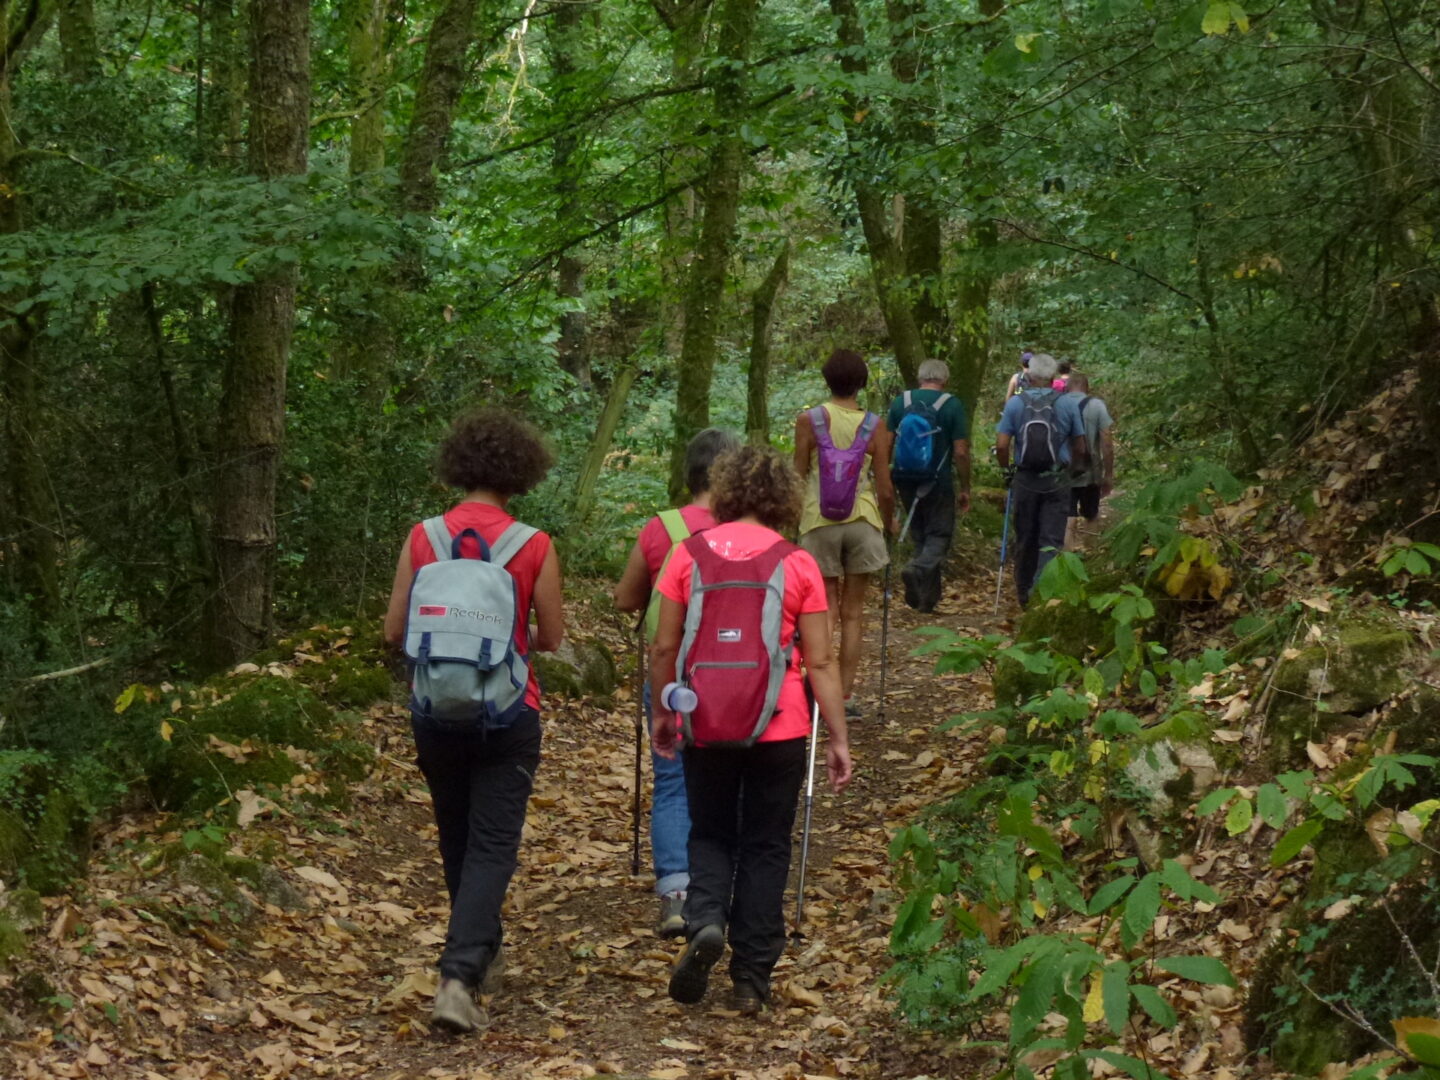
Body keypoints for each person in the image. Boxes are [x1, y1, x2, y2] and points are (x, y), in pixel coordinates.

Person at [650, 445, 852, 1015]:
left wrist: (667, 714)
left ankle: (706, 921)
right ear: (783, 499)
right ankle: (751, 978)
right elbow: (821, 663)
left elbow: (665, 645)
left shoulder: (687, 556)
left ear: (724, 491)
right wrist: (836, 737)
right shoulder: (798, 562)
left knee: (710, 832)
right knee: (766, 845)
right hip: (781, 725)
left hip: (705, 718)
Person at [383, 408, 564, 1034]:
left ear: (458, 465)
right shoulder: (533, 544)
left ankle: (477, 953)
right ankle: (459, 975)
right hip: (508, 711)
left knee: (457, 837)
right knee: (493, 845)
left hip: (435, 709)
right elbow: (551, 636)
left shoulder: (423, 537)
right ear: (521, 471)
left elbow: (394, 630)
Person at [613, 427, 741, 938]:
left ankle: (675, 891)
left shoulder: (661, 528)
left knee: (670, 779)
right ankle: (721, 890)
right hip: (736, 675)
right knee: (727, 776)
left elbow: (626, 599)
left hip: (670, 670)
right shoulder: (750, 530)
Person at [793, 349, 895, 716]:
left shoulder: (809, 420)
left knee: (824, 609)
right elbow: (884, 487)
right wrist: (890, 521)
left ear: (827, 381)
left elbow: (797, 475)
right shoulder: (875, 425)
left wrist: (791, 520)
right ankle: (845, 696)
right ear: (861, 383)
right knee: (853, 612)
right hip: (863, 522)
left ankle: (817, 690)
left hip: (818, 523)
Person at [995, 353, 1088, 607]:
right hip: (1058, 477)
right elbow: (1080, 445)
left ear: (1029, 375)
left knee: (1025, 535)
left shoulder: (1015, 404)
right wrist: (1074, 470)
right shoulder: (1067, 404)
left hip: (1025, 477)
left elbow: (1002, 445)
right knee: (1051, 539)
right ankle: (1041, 592)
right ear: (1054, 377)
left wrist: (1007, 470)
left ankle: (1024, 592)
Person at [886, 358, 971, 613]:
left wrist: (884, 476)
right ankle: (918, 569)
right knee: (939, 534)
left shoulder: (902, 402)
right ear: (944, 379)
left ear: (920, 377)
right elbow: (961, 451)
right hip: (937, 479)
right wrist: (966, 485)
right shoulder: (952, 405)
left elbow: (887, 442)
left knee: (921, 534)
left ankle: (925, 600)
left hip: (904, 477)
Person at [1063, 372, 1115, 550]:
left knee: (1068, 517)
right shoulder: (1097, 406)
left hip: (1063, 472)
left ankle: (1066, 561)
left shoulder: (1057, 405)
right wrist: (1108, 474)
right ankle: (1091, 559)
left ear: (1067, 387)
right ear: (1087, 388)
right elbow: (1107, 442)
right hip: (1091, 472)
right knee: (1091, 514)